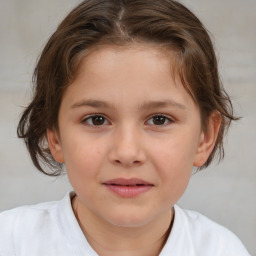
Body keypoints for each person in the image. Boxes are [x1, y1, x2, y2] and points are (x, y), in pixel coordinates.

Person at [0, 0, 251, 255]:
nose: (127, 152)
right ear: (54, 136)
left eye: (159, 119)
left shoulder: (223, 250)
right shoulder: (9, 242)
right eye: (96, 120)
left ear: (204, 137)